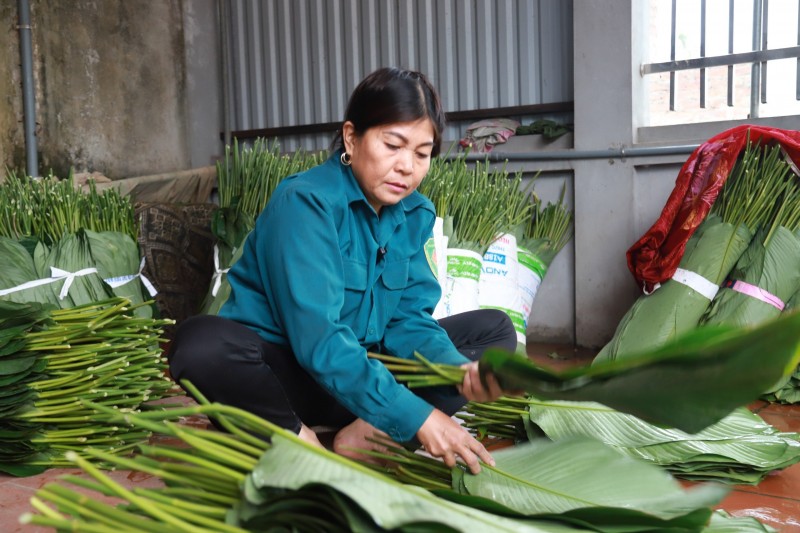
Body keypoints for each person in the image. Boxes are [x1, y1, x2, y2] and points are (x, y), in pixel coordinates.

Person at [168, 67, 518, 474]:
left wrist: (455, 369)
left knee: (494, 333)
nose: (407, 166)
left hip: (357, 377)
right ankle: (298, 439)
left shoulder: (412, 213)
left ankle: (365, 435)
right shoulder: (306, 203)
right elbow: (320, 341)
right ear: (351, 138)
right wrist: (418, 416)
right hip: (286, 380)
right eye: (393, 145)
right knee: (200, 345)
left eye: (422, 154)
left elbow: (408, 320)